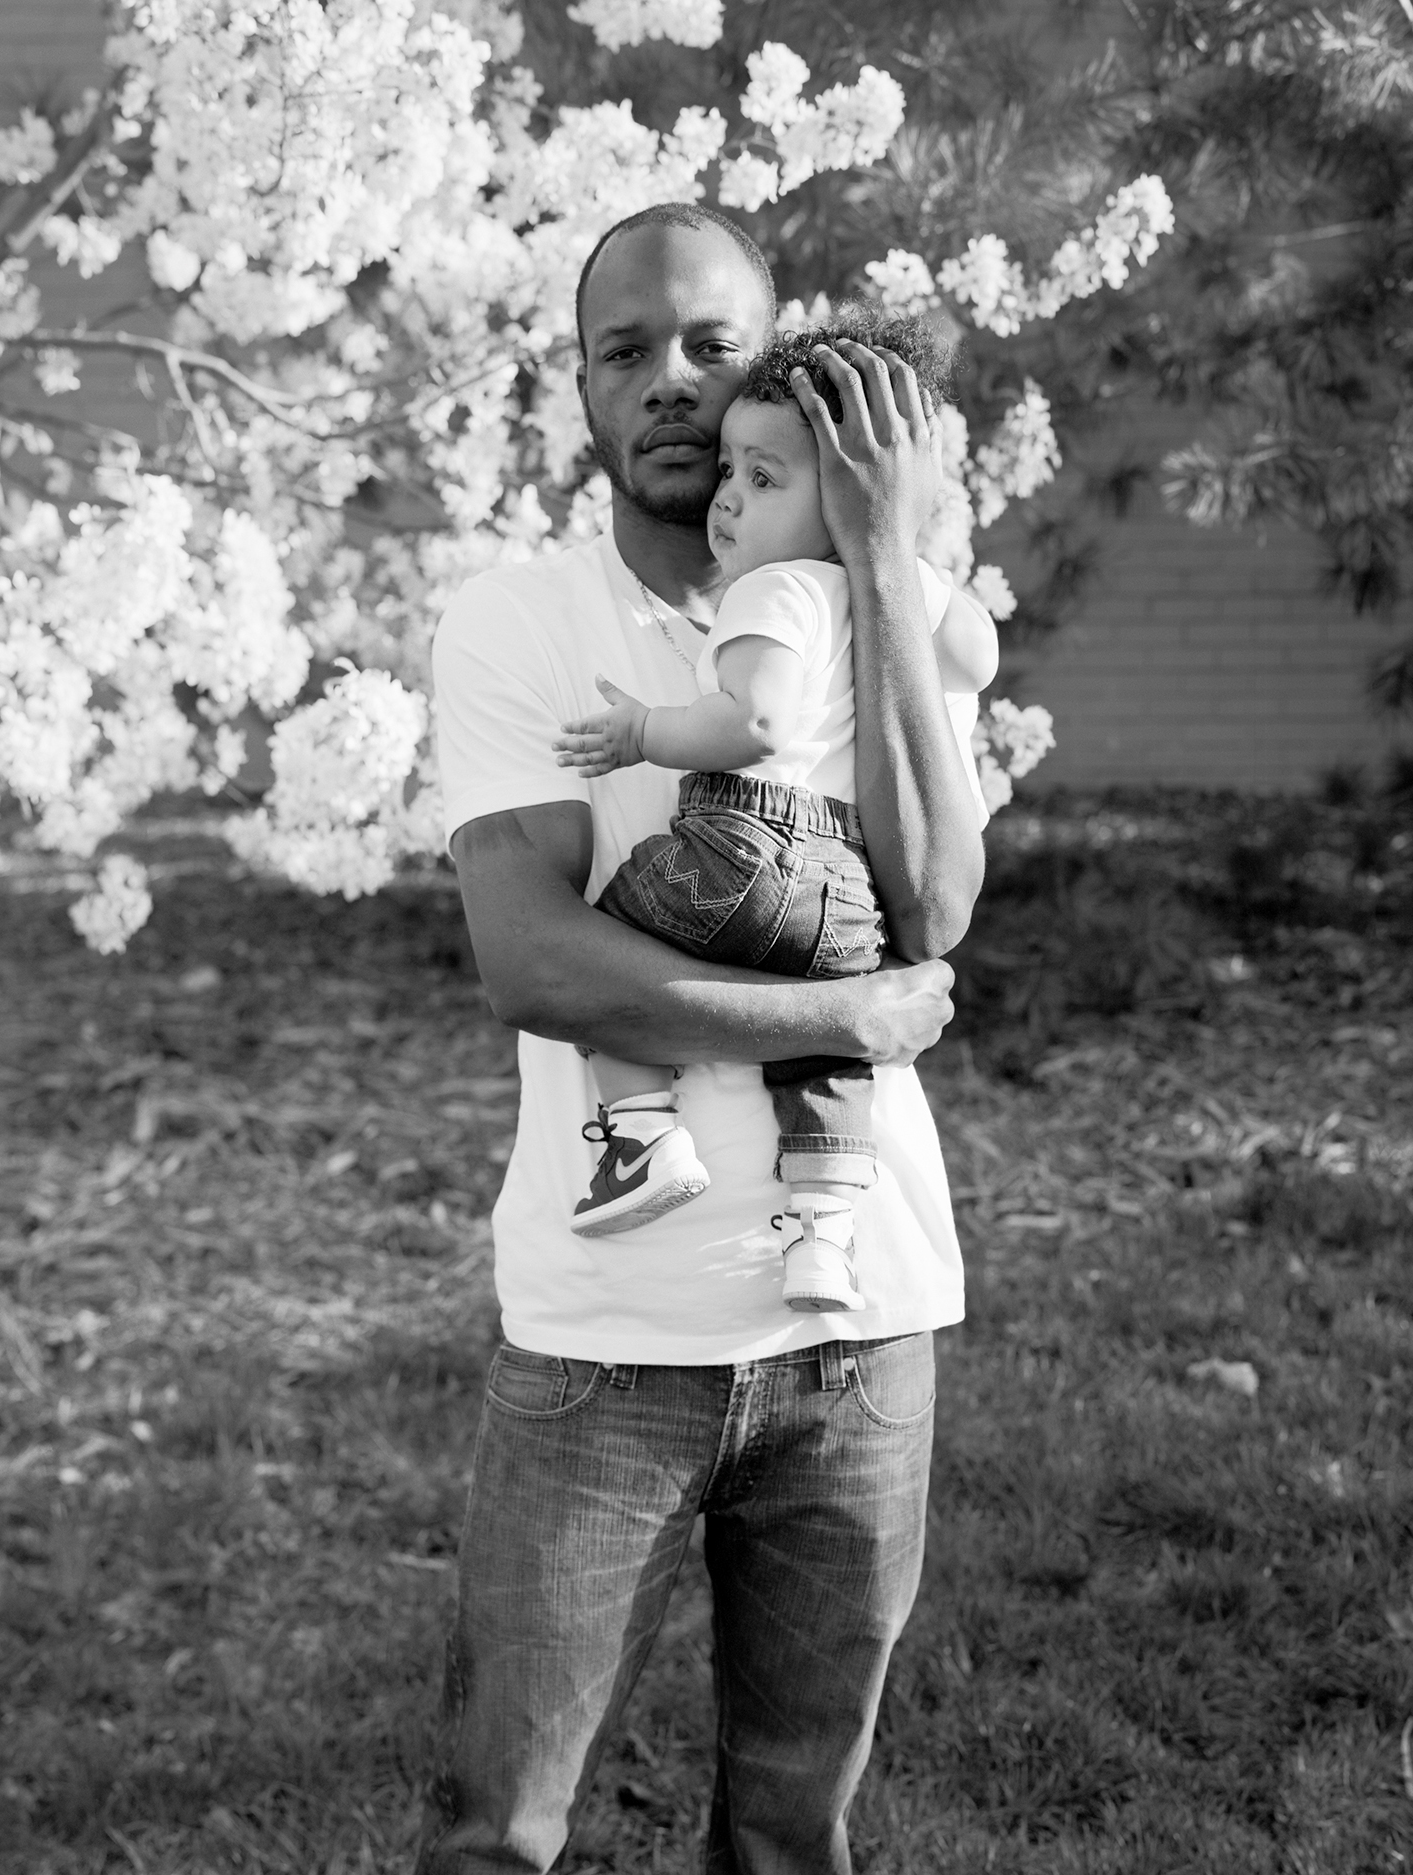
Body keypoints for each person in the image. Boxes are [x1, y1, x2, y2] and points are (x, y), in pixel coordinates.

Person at [417, 201, 987, 1875]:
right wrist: (844, 1015)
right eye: (624, 351)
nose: (666, 382)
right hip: (608, 1336)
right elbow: (537, 963)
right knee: (496, 1834)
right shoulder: (519, 625)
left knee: (793, 1835)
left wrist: (880, 565)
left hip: (861, 1325)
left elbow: (933, 903)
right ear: (583, 390)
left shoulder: (892, 611)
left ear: (779, 373)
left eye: (707, 345)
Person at [550, 309, 997, 1318]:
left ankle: (642, 1134)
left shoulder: (777, 592)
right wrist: (904, 557)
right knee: (828, 1051)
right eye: (731, 474)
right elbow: (977, 655)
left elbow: (754, 718)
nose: (728, 501)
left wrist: (645, 734)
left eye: (764, 478)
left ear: (843, 501)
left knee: (608, 941)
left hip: (744, 840)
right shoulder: (891, 593)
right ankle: (825, 1238)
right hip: (847, 901)